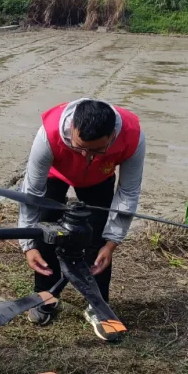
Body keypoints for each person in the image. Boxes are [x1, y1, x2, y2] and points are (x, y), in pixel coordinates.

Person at [18, 98, 145, 341]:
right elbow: (31, 193)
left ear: (113, 136)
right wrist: (28, 245)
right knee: (45, 231)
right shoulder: (50, 133)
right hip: (56, 173)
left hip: (99, 178)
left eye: (96, 150)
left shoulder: (132, 135)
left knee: (95, 238)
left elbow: (128, 191)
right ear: (72, 128)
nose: (86, 155)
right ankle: (46, 297)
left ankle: (98, 306)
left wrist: (112, 242)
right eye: (79, 147)